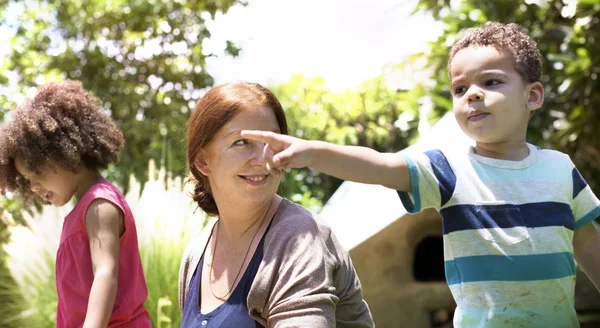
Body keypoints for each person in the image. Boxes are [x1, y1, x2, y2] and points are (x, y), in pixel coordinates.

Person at [241, 22, 600, 327]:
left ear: (533, 96)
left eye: (491, 82)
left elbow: (589, 245)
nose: (472, 94)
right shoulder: (448, 170)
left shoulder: (560, 169)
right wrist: (313, 152)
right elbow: (380, 165)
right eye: (460, 88)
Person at [178, 81, 374, 327]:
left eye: (272, 143)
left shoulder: (300, 238)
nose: (263, 159)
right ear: (202, 161)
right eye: (242, 142)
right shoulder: (195, 257)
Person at [0, 80, 151, 327]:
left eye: (36, 173)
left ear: (63, 153)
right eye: (26, 181)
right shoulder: (80, 212)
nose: (33, 186)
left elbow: (105, 273)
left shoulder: (100, 204)